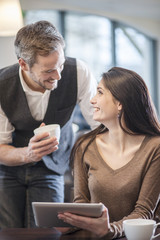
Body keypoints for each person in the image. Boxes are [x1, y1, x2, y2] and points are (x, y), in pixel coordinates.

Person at [0, 20, 98, 228]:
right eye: (48, 71)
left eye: (60, 65)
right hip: (8, 169)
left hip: (53, 167)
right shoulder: (2, 85)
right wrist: (28, 154)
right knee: (8, 232)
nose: (59, 76)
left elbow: (99, 125)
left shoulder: (79, 72)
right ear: (24, 64)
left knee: (48, 231)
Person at [58, 67, 160, 239]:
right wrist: (70, 223)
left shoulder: (155, 147)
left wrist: (109, 230)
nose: (92, 100)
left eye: (99, 93)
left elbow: (144, 213)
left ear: (120, 103)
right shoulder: (85, 145)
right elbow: (81, 204)